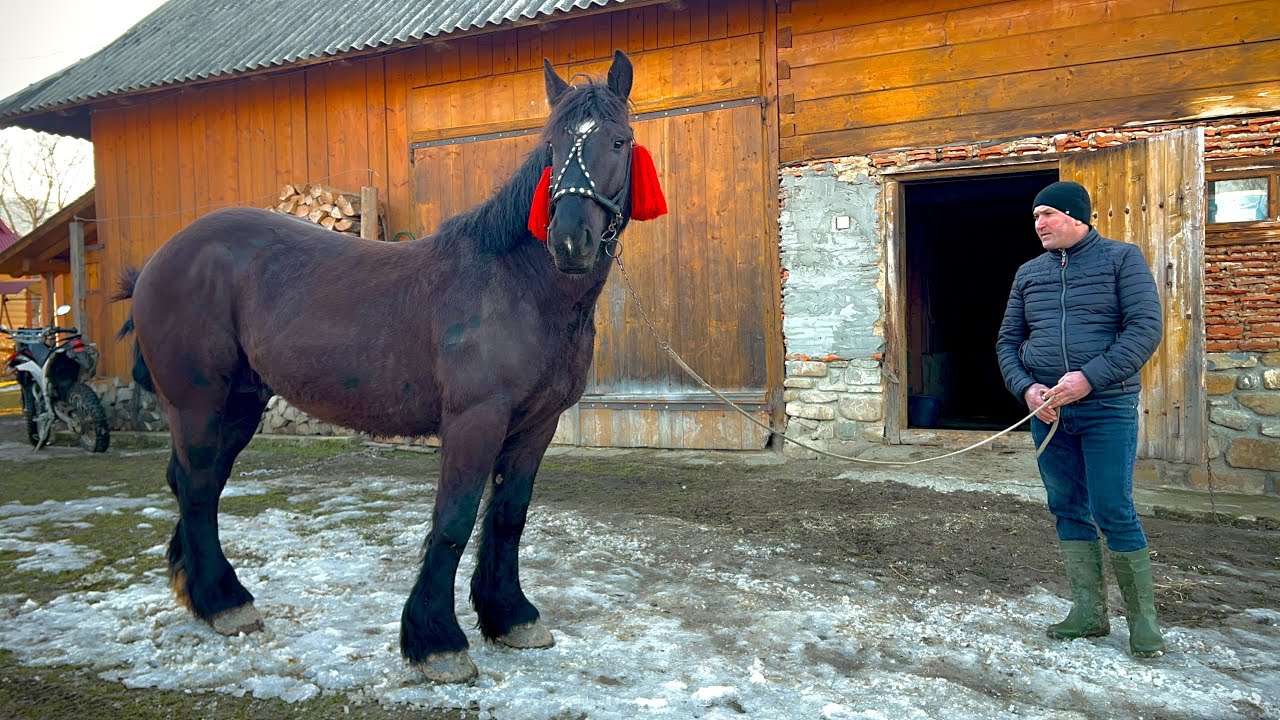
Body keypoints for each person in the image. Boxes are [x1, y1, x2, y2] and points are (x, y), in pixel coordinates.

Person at [995, 180, 1166, 658]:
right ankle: (1088, 614)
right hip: (1047, 412)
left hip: (1106, 407)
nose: (1039, 224)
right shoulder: (1029, 273)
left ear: (1077, 216)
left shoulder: (1121, 259)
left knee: (1113, 507)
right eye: (1034, 218)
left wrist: (1089, 378)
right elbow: (1007, 342)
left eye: (1047, 214)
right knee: (1067, 506)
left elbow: (1145, 328)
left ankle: (1143, 623)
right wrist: (1026, 388)